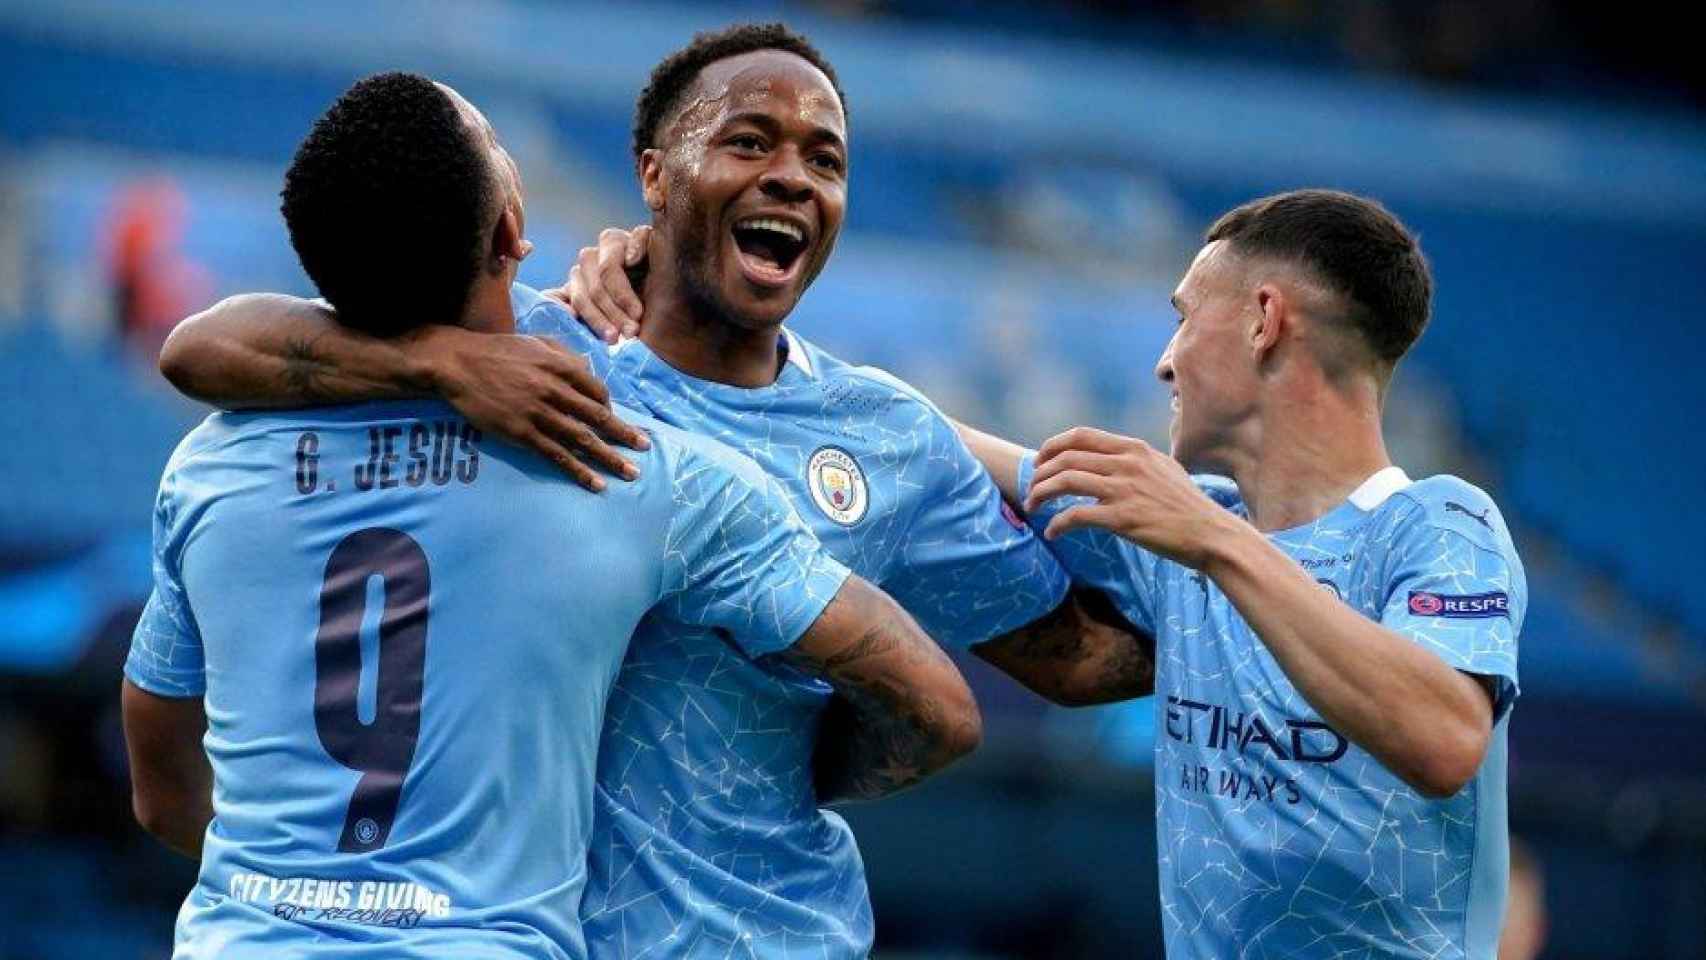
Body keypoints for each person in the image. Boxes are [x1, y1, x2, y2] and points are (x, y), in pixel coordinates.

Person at [156, 23, 1156, 958]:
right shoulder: (529, 350)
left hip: (759, 932)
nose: (791, 178)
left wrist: (792, 765)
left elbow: (1072, 664)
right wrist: (441, 363)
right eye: (750, 142)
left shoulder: (887, 438)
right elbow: (203, 347)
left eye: (825, 159)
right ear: (653, 175)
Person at [956, 189, 1525, 957]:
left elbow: (1445, 739)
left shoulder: (1442, 525)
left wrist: (1216, 541)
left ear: (1264, 319)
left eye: (1184, 316)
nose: (1164, 361)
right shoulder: (1190, 523)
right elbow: (954, 452)